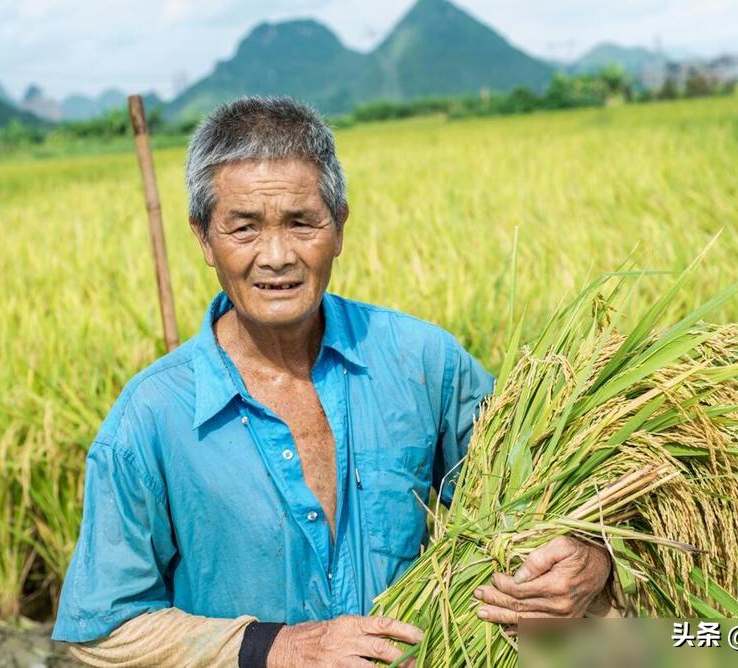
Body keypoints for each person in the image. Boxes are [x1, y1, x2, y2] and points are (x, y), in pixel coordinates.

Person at [51, 96, 613, 667]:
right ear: (203, 238)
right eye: (243, 228)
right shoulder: (151, 416)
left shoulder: (421, 361)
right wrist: (282, 648)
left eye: (301, 223)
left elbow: (545, 495)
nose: (276, 256)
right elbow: (104, 627)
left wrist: (591, 556)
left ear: (339, 227)